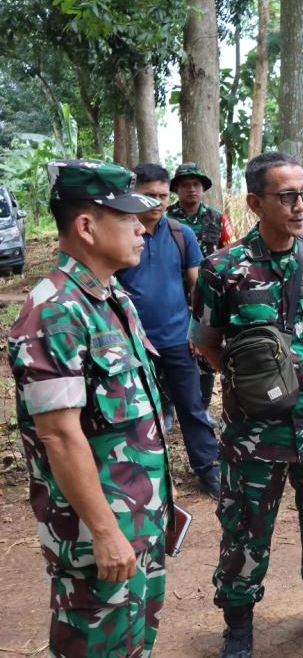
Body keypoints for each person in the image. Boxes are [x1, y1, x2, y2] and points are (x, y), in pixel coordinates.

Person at [190, 152, 303, 655]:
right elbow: (205, 341)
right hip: (254, 432)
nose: (300, 206)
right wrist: (250, 383)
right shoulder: (223, 269)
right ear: (255, 202)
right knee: (245, 527)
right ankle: (240, 626)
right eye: (286, 196)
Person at [8, 159, 171, 656]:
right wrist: (104, 531)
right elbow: (59, 435)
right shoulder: (55, 311)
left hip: (137, 518)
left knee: (133, 643)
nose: (143, 229)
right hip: (97, 533)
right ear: (86, 225)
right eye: (127, 218)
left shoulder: (110, 296)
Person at [117, 163, 221, 499]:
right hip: (133, 344)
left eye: (163, 195)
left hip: (177, 339)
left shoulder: (181, 234)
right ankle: (146, 479)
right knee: (139, 413)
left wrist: (198, 334)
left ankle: (208, 469)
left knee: (192, 407)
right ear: (135, 196)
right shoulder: (121, 234)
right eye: (150, 196)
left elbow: (197, 287)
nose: (158, 202)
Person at [167, 162, 232, 418]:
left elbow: (229, 253)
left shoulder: (218, 218)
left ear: (203, 188)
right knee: (173, 350)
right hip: (174, 294)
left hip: (209, 296)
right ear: (177, 189)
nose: (191, 190)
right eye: (185, 185)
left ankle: (202, 407)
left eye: (195, 185)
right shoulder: (166, 219)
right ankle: (170, 407)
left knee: (206, 350)